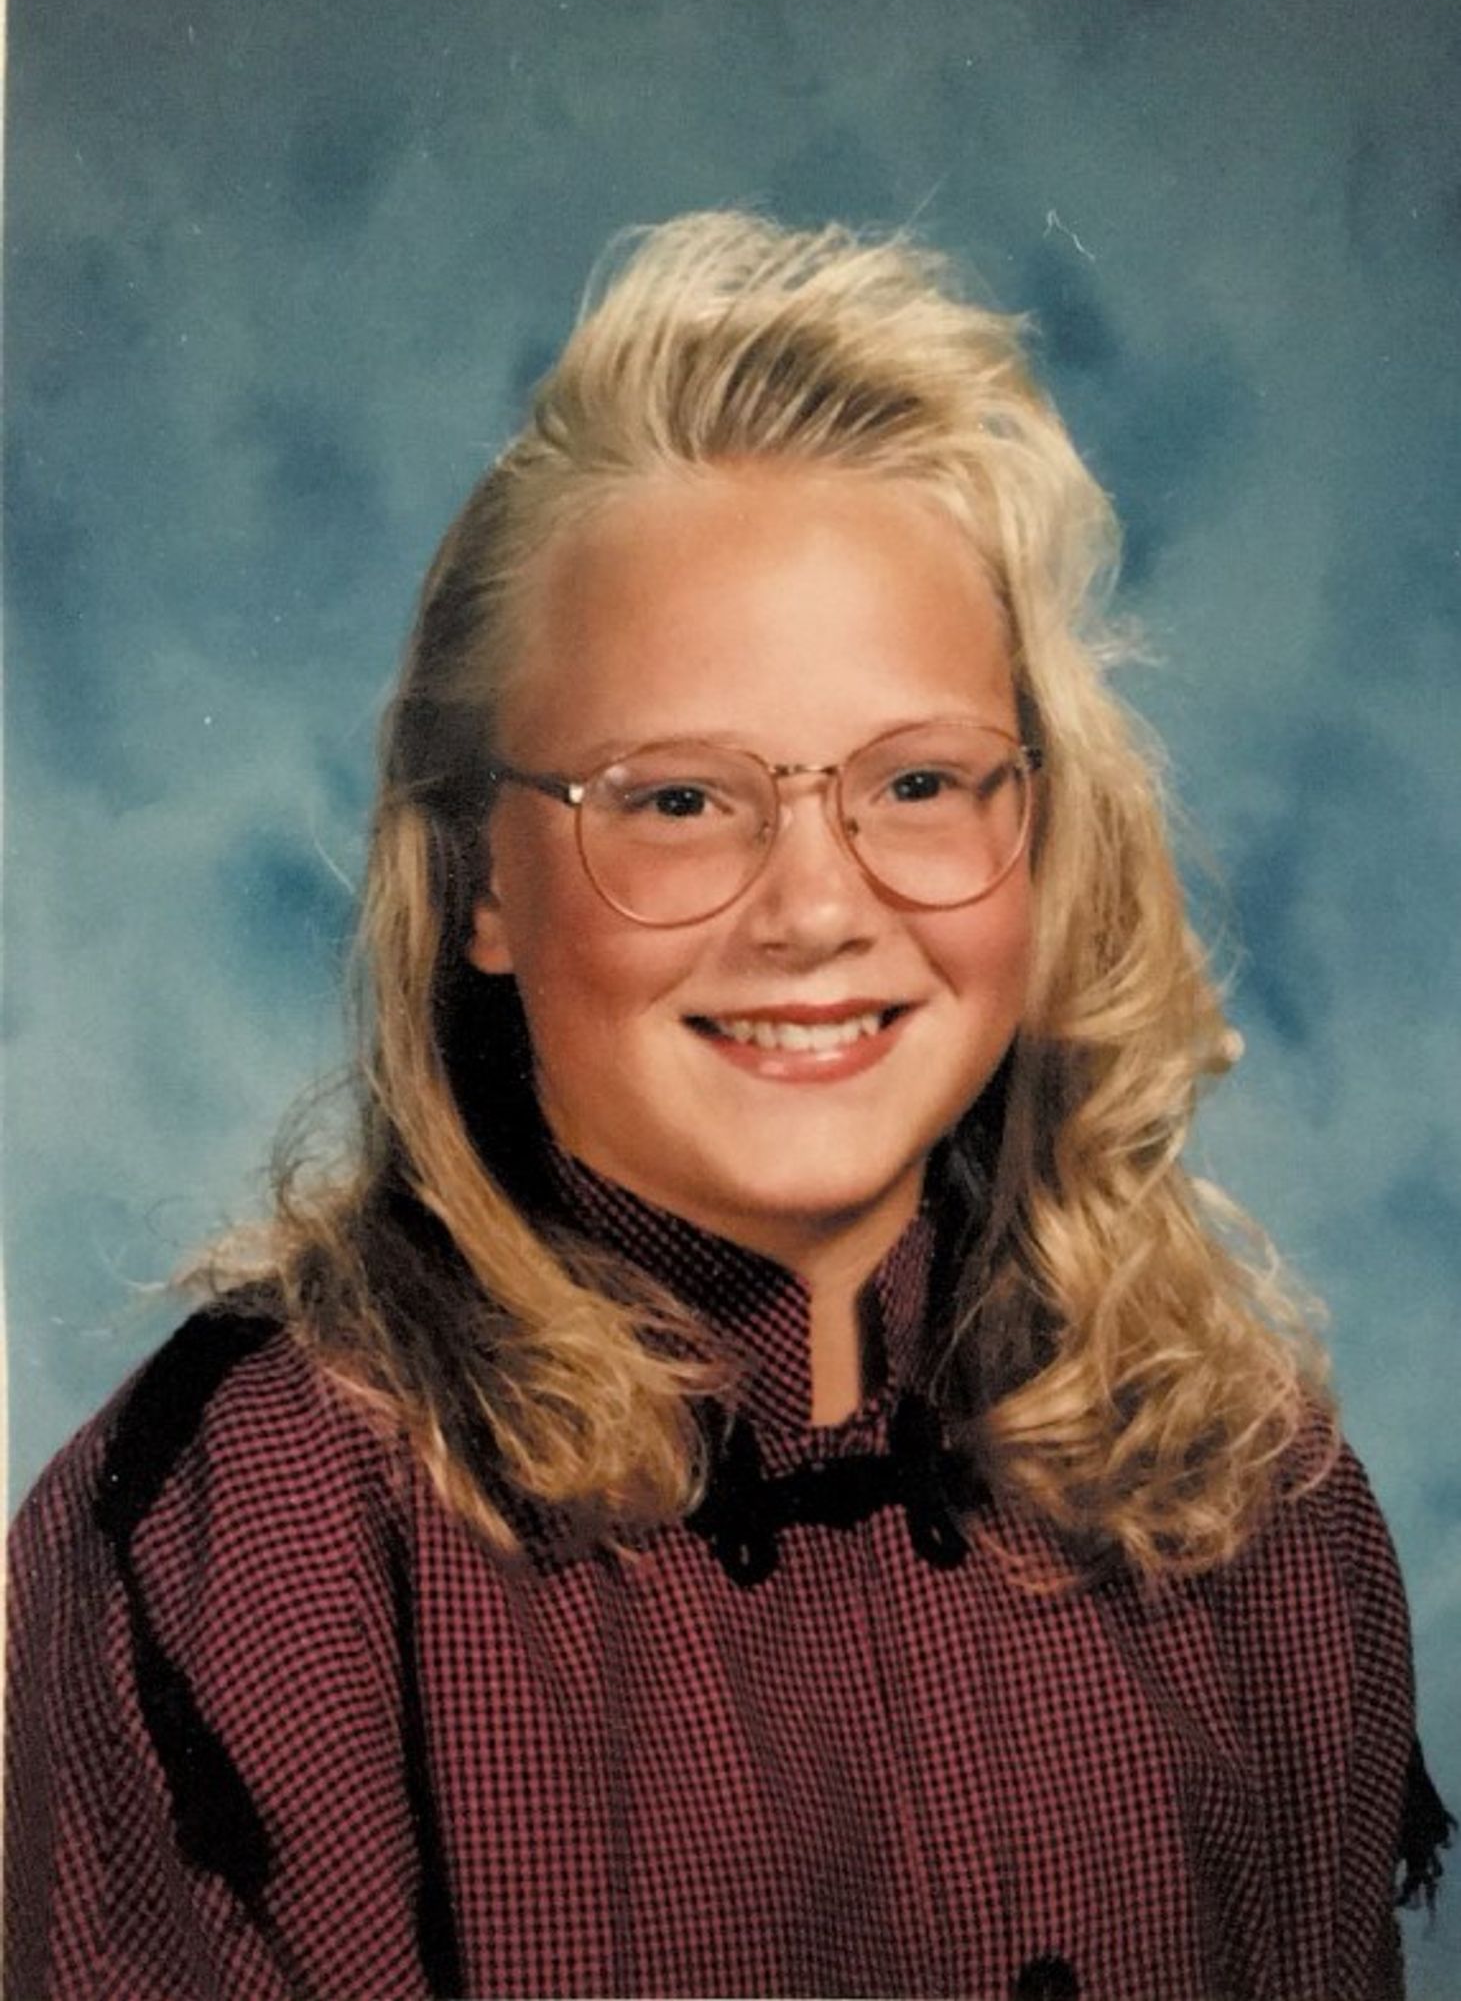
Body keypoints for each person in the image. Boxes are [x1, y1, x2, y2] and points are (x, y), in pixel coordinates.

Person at [5, 211, 1451, 2001]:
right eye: (678, 800)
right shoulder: (256, 1539)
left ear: (1038, 827)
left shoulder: (1245, 1498)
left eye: (916, 781)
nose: (816, 908)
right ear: (476, 877)